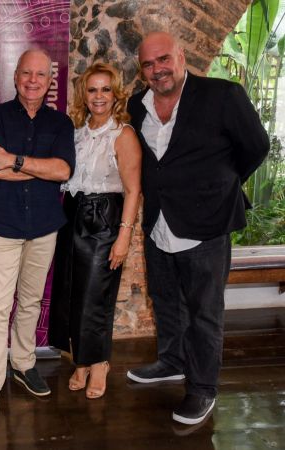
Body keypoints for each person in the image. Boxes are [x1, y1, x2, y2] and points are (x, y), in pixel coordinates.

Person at [125, 32, 269, 425]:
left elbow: (256, 147)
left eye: (163, 59)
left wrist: (220, 185)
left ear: (181, 55)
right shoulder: (137, 105)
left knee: (204, 311)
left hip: (208, 223)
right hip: (159, 221)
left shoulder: (223, 95)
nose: (158, 69)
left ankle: (203, 387)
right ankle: (172, 361)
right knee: (164, 298)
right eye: (148, 64)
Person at [0, 49, 76, 421]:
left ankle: (23, 363)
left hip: (45, 226)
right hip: (3, 225)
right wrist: (38, 168)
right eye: (26, 73)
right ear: (15, 76)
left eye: (40, 75)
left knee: (31, 301)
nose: (33, 81)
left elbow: (63, 171)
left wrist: (14, 160)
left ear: (50, 81)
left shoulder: (61, 123)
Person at [49, 62, 141, 398]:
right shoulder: (76, 132)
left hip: (104, 219)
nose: (99, 96)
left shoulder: (123, 135)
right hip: (72, 215)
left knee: (95, 296)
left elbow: (133, 190)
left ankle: (99, 362)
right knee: (72, 293)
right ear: (83, 95)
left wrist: (124, 236)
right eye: (92, 90)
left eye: (105, 89)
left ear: (115, 95)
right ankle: (82, 360)